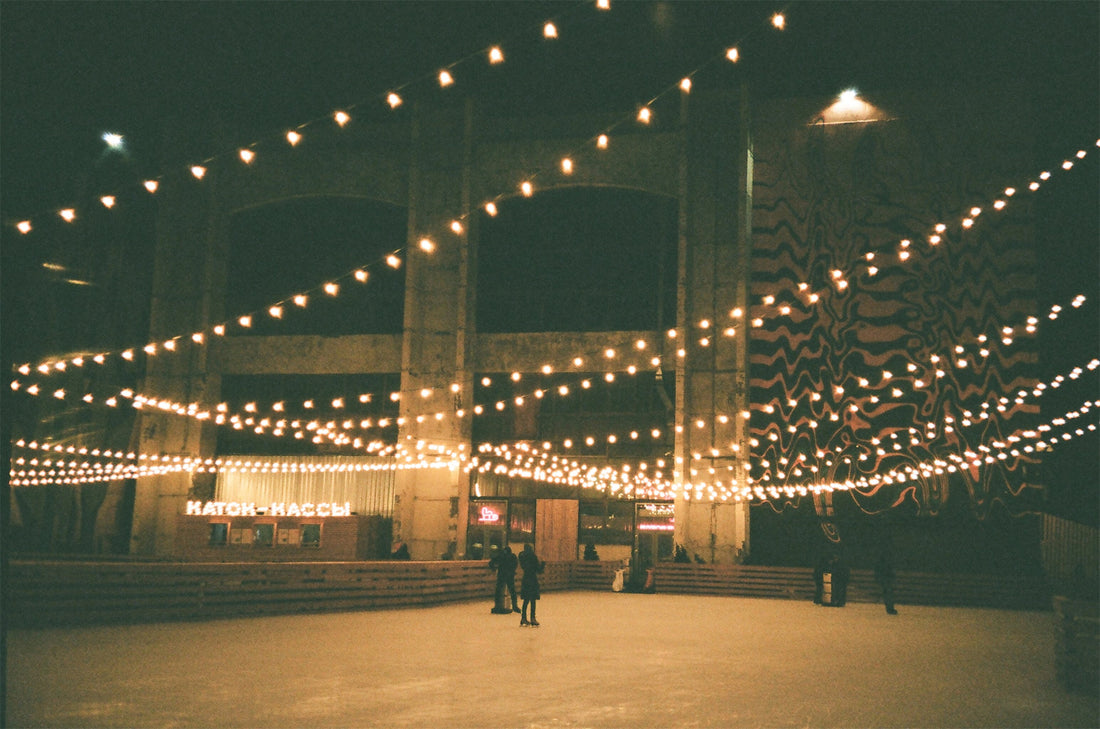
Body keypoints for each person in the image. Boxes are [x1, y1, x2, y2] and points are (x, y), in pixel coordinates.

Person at [517, 543, 544, 626]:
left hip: (525, 579)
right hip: (532, 579)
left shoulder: (522, 557)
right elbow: (538, 570)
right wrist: (543, 564)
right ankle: (532, 618)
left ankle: (523, 618)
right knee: (533, 600)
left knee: (526, 600)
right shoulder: (532, 557)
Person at [488, 544, 519, 614]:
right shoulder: (512, 556)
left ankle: (497, 606)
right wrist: (513, 570)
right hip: (509, 575)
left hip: (501, 575)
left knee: (498, 591)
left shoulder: (501, 556)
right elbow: (515, 564)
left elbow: (491, 562)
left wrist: (494, 568)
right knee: (512, 590)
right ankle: (515, 606)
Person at [875, 542, 898, 615]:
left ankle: (889, 607)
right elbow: (891, 571)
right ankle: (890, 608)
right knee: (889, 593)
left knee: (887, 593)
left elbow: (878, 570)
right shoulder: (888, 562)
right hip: (887, 579)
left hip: (884, 579)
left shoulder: (880, 562)